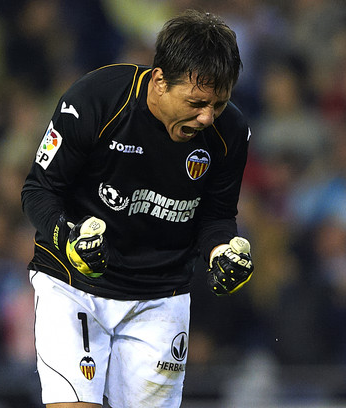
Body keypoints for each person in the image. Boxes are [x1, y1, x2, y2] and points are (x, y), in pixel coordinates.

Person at [21, 9, 254, 408]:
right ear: (160, 80)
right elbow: (38, 189)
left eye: (219, 103)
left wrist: (221, 252)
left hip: (160, 296)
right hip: (73, 285)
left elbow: (217, 216)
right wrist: (68, 238)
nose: (207, 117)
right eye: (197, 102)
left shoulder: (230, 132)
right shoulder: (95, 100)